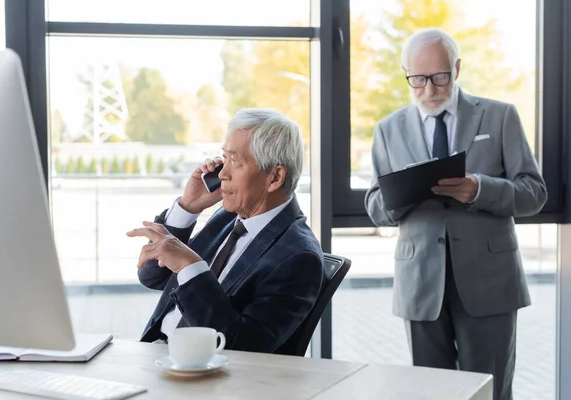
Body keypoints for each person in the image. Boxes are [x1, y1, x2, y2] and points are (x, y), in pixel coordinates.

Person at [365, 28, 547, 400]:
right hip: (420, 285)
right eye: (418, 79)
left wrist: (480, 188)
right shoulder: (387, 130)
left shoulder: (499, 116)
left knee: (491, 391)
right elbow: (375, 208)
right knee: (431, 394)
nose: (429, 89)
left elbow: (534, 193)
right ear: (405, 72)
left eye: (439, 77)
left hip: (490, 282)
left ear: (457, 69)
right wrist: (404, 193)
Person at [127, 108, 325, 355]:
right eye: (224, 158)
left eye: (236, 161)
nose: (222, 174)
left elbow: (241, 347)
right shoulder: (228, 217)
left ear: (274, 177)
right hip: (158, 355)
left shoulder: (299, 258)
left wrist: (191, 266)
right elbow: (151, 276)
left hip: (208, 378)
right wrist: (187, 208)